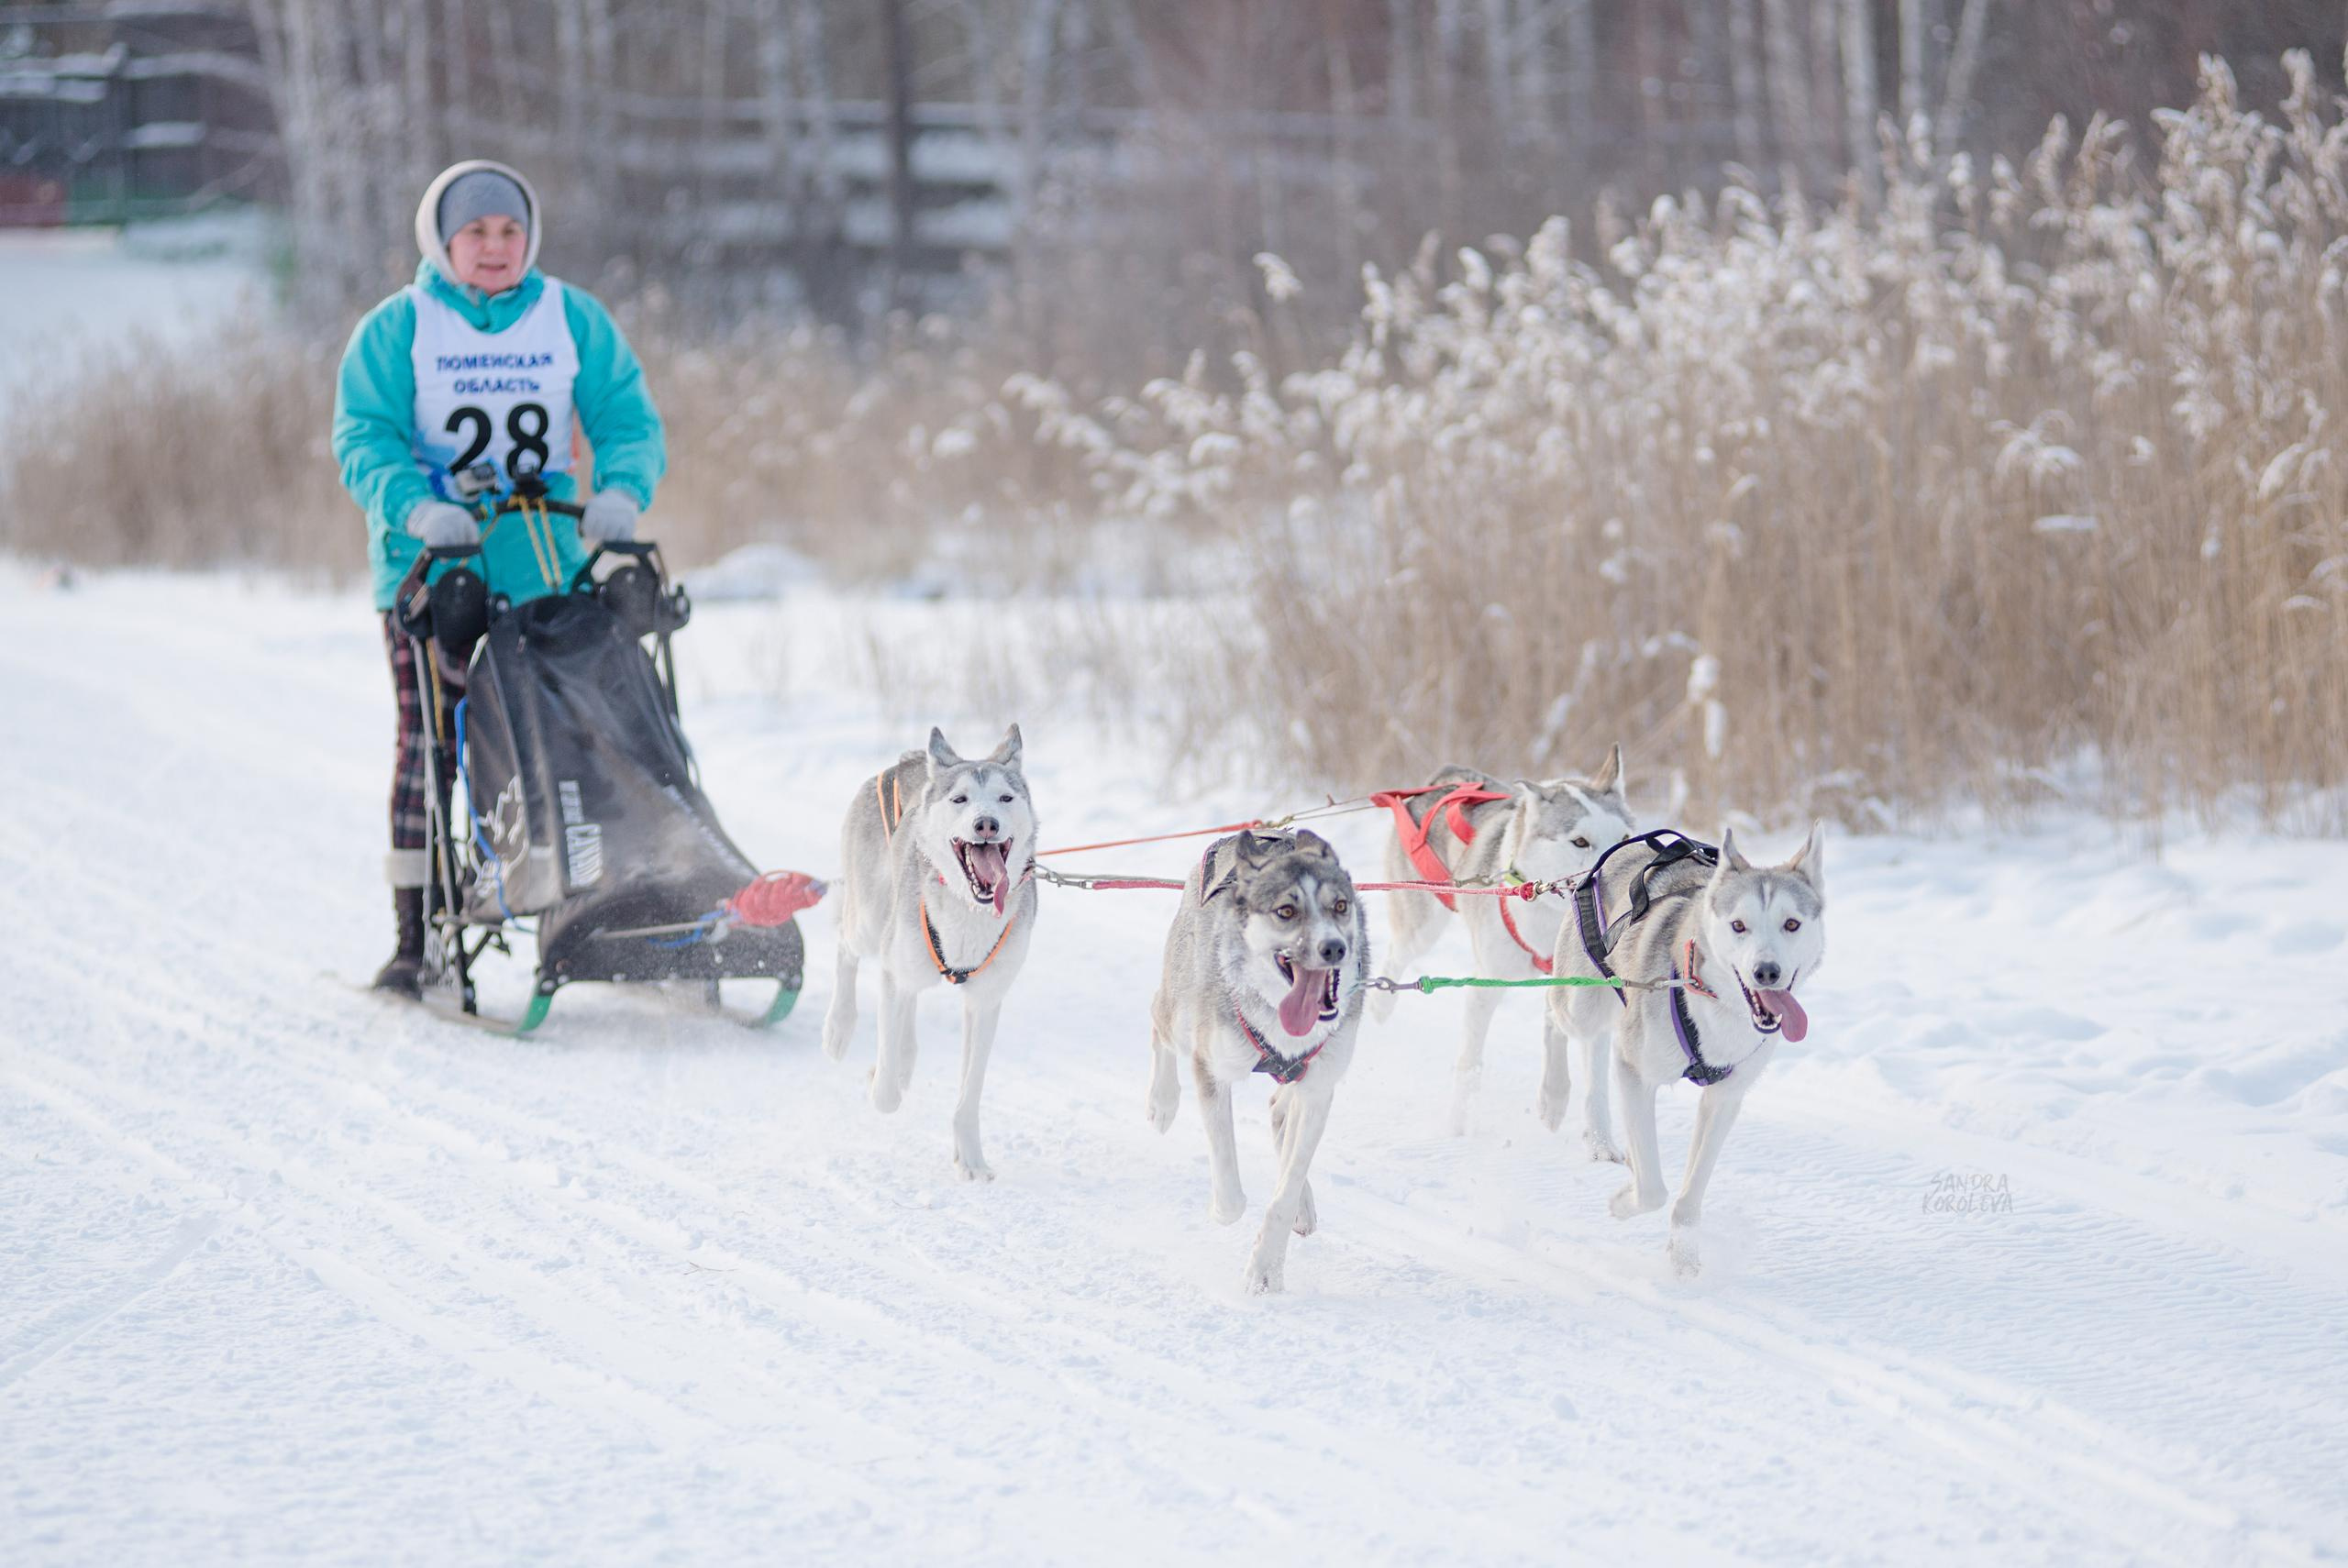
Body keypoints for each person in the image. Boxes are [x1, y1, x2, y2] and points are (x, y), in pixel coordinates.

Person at [333, 159, 667, 996]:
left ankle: (617, 901)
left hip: (548, 564)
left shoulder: (570, 319)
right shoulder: (397, 328)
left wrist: (621, 489)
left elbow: (626, 415)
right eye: (475, 232)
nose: (494, 246)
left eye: (509, 230)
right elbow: (363, 437)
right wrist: (414, 506)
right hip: (433, 571)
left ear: (530, 237)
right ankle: (419, 934)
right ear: (442, 241)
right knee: (434, 746)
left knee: (592, 726)